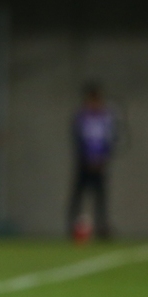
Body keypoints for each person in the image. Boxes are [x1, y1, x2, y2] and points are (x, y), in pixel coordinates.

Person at [67, 82, 117, 239]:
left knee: (100, 197)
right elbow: (77, 139)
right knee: (77, 196)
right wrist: (85, 159)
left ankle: (102, 228)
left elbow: (111, 140)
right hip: (84, 164)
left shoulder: (106, 117)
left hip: (100, 164)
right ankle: (72, 227)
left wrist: (103, 158)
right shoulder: (81, 116)